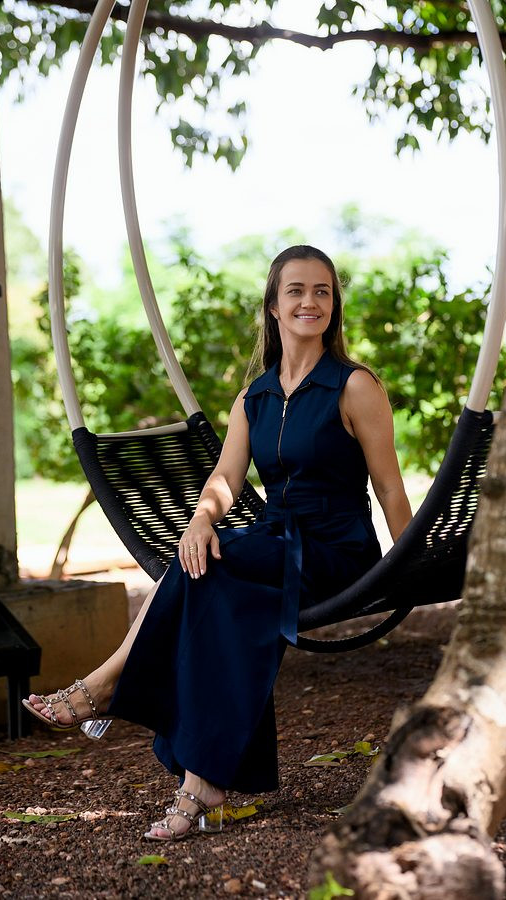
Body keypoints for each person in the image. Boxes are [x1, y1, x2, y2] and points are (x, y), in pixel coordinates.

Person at [23, 245, 412, 841]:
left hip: (335, 551)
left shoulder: (354, 386)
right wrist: (202, 519)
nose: (310, 301)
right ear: (273, 306)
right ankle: (203, 785)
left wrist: (407, 563)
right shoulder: (254, 397)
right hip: (275, 543)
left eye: (323, 291)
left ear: (334, 306)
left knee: (202, 567)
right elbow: (226, 478)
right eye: (296, 290)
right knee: (220, 595)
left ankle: (104, 683)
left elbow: (388, 485)